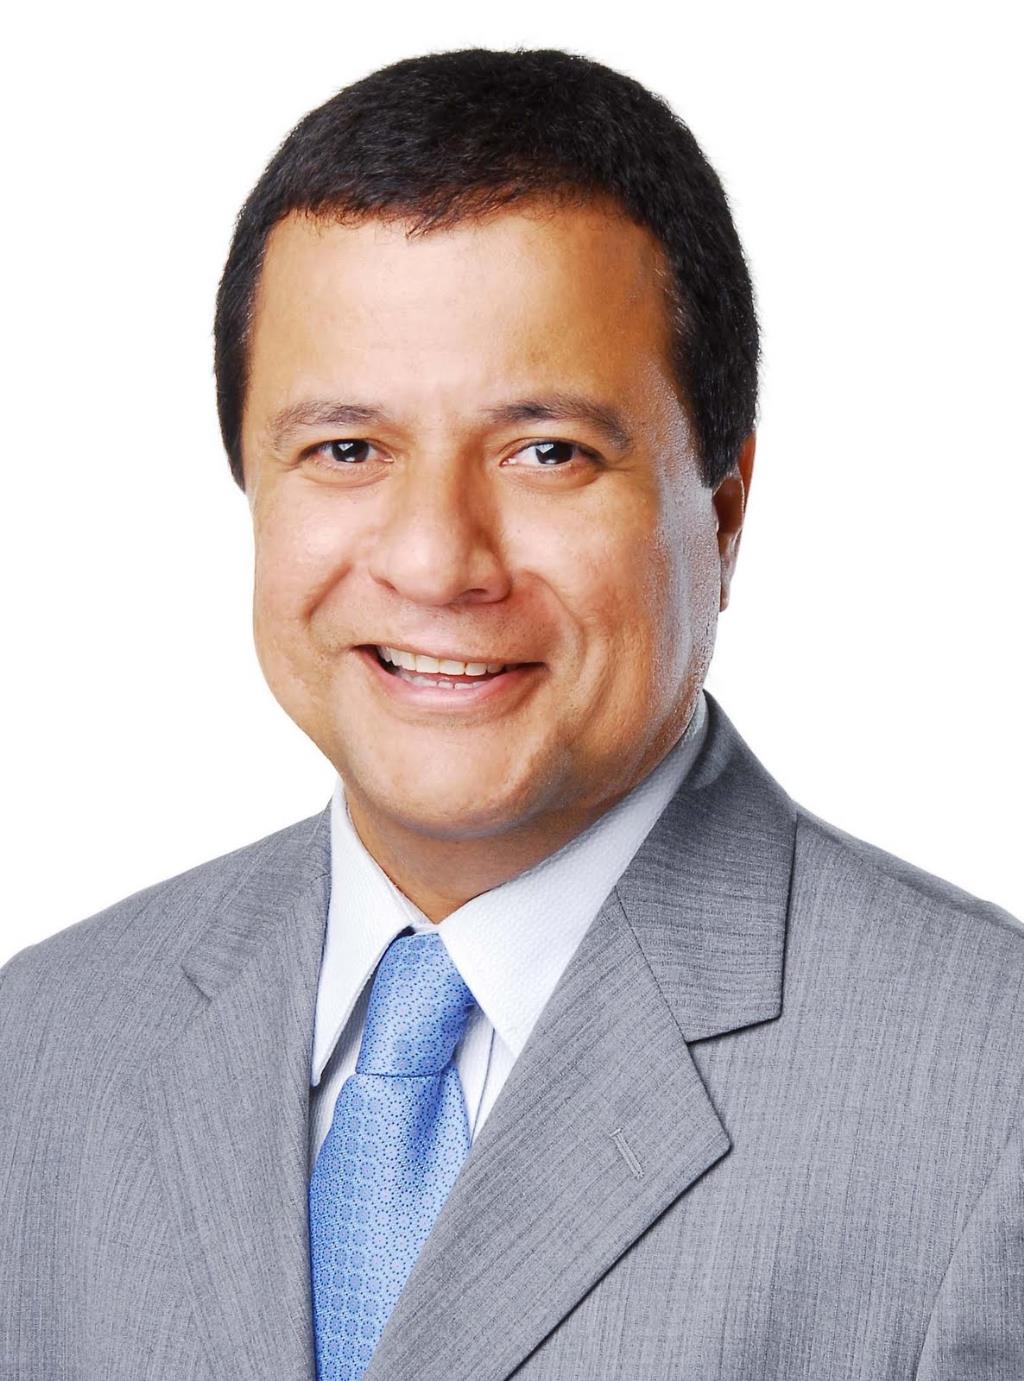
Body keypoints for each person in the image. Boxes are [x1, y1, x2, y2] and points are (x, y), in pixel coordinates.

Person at [1, 46, 1020, 1381]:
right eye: (346, 449)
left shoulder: (990, 1094)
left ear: (723, 511)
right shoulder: (42, 1050)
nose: (436, 562)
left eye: (548, 452)